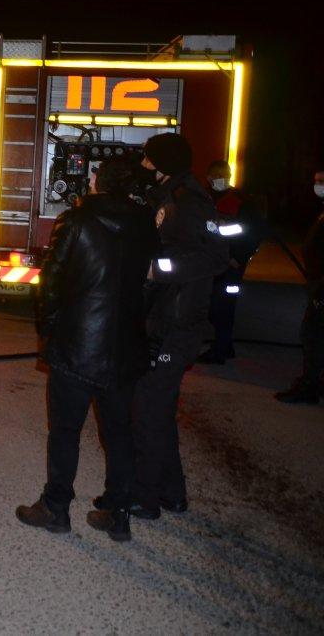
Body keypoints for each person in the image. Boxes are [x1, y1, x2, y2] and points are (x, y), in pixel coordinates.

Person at [16, 158, 159, 542]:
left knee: (65, 431)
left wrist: (50, 333)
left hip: (77, 348)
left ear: (98, 182)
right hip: (124, 350)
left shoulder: (74, 221)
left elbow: (49, 283)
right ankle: (118, 514)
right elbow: (152, 283)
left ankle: (55, 508)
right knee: (119, 433)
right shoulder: (146, 224)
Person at [132, 133, 228, 520]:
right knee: (158, 411)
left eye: (148, 157)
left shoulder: (189, 201)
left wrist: (158, 270)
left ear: (162, 162)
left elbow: (216, 256)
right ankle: (172, 493)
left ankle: (145, 498)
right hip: (163, 319)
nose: (143, 163)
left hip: (176, 325)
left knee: (148, 412)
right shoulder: (170, 195)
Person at [199, 160, 265, 364]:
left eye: (224, 173)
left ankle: (220, 350)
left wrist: (239, 258)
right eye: (216, 174)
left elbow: (255, 232)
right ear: (209, 177)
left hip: (231, 265)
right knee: (211, 307)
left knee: (224, 307)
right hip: (210, 263)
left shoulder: (241, 201)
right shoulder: (204, 198)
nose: (221, 178)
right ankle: (225, 346)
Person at [275, 168, 324, 404]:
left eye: (321, 181)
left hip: (322, 289)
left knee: (313, 336)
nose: (317, 186)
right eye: (316, 181)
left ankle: (310, 386)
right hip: (317, 285)